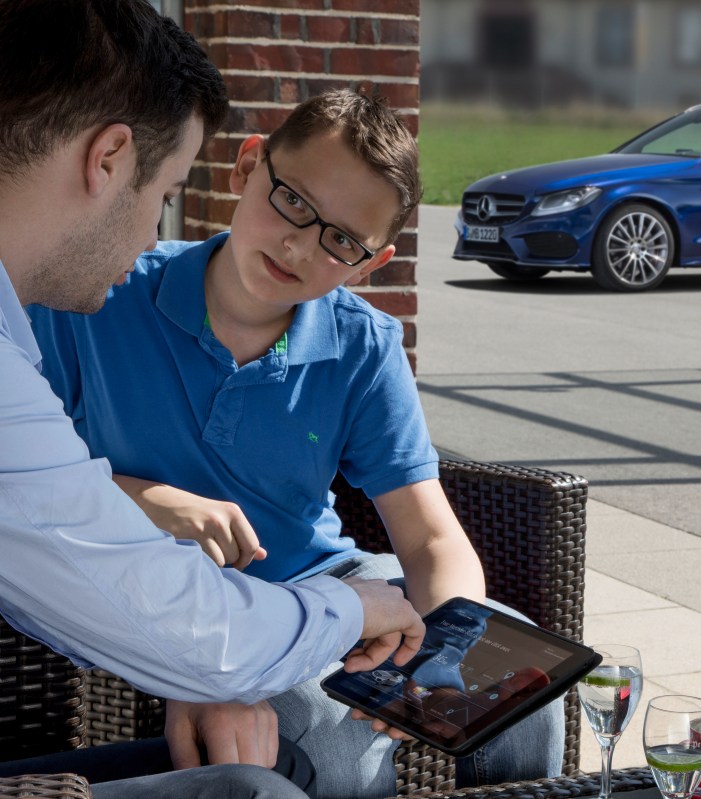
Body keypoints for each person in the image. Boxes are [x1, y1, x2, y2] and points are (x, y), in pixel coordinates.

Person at [26, 87, 566, 798]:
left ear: (370, 263)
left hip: (330, 584)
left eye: (342, 241)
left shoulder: (363, 345)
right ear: (248, 166)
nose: (300, 245)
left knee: (524, 695)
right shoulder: (101, 294)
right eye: (293, 202)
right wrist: (146, 499)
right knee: (335, 744)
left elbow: (431, 538)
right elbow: (26, 479)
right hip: (164, 601)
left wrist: (449, 651)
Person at [0, 1, 426, 796]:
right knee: (295, 773)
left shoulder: (362, 340)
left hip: (286, 596)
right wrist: (342, 611)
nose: (152, 237)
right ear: (109, 160)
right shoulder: (61, 320)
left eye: (341, 240)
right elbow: (98, 563)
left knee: (526, 716)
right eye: (167, 191)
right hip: (243, 615)